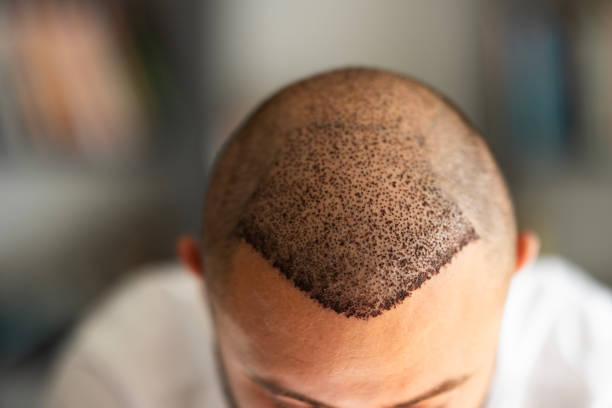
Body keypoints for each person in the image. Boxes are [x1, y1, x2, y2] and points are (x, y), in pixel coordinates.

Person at [47, 68, 612, 408]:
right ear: (201, 280)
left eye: (422, 407)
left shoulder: (595, 375)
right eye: (289, 405)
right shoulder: (124, 378)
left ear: (513, 278)